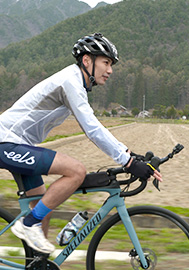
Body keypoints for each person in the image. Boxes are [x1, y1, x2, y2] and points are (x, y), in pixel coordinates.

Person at [0, 33, 162, 254]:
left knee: (43, 207)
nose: (110, 70)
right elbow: (92, 128)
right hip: (5, 142)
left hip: (19, 145)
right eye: (106, 62)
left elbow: (95, 127)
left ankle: (36, 263)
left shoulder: (75, 83)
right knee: (76, 171)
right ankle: (28, 225)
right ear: (87, 60)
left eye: (111, 64)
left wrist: (130, 155)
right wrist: (129, 161)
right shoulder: (70, 82)